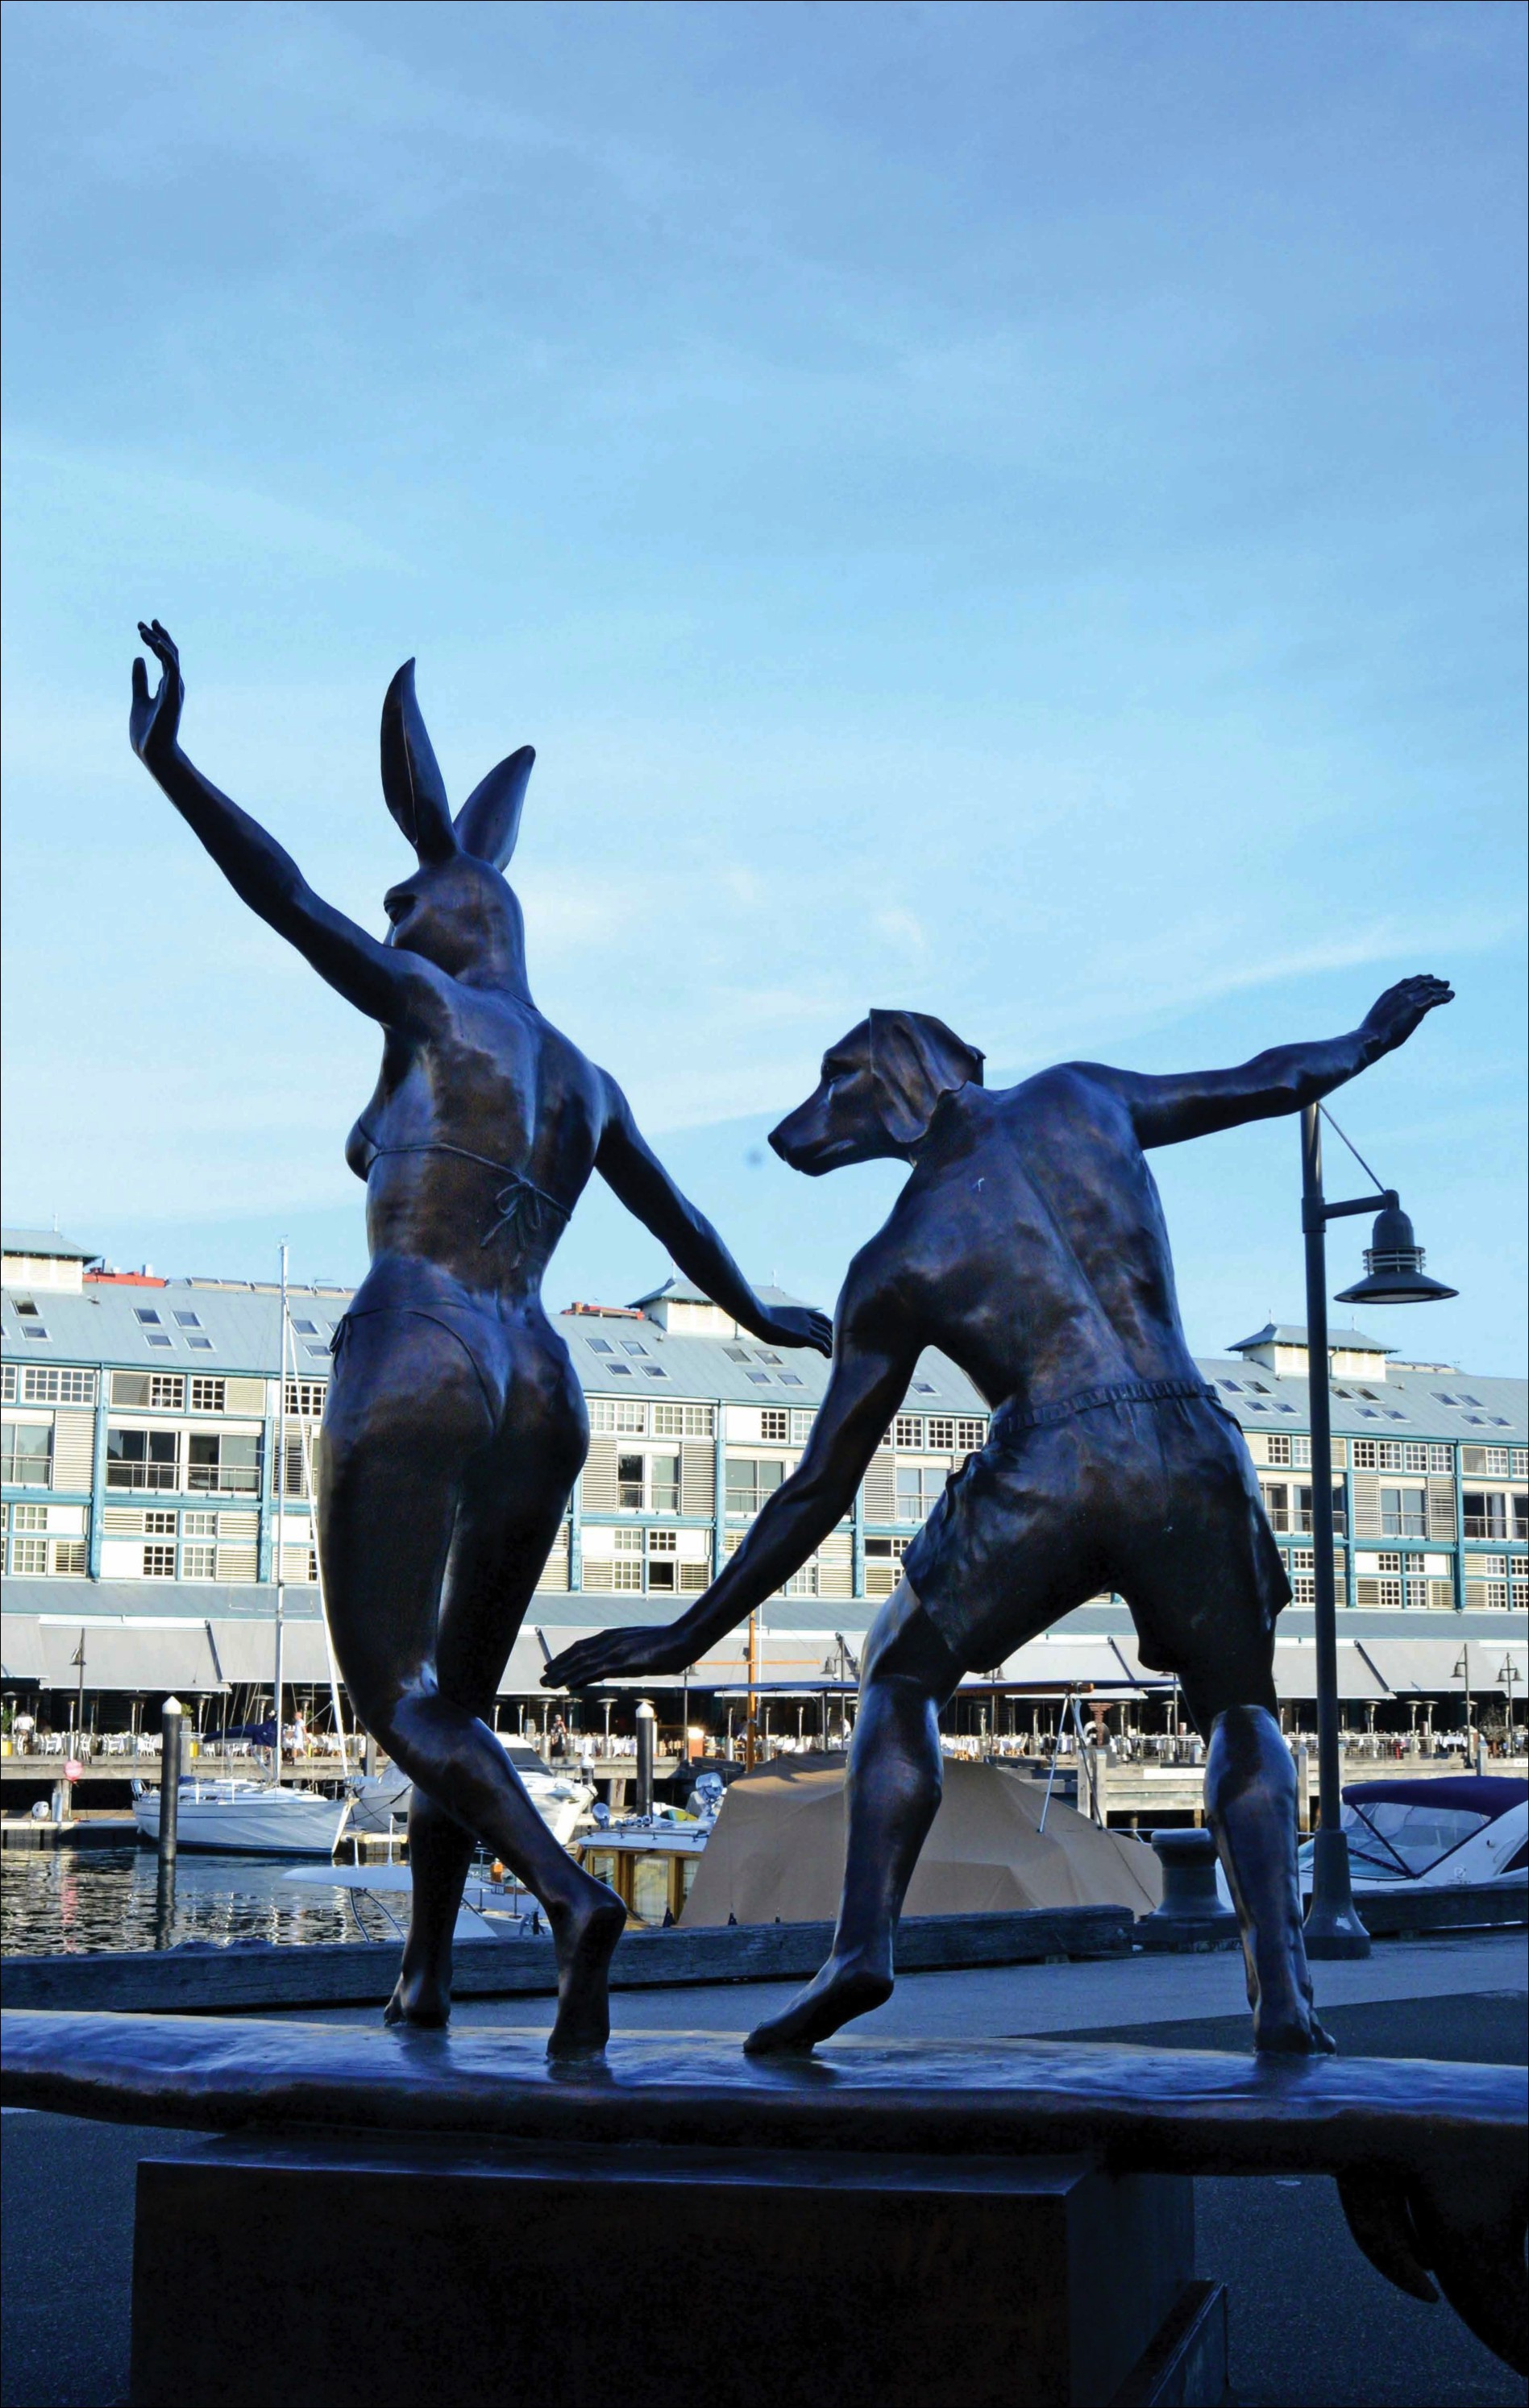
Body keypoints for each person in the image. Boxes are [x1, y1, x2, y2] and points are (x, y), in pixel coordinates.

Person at [128, 621, 829, 2055]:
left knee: (397, 1699)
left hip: (418, 1340)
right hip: (540, 1379)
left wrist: (173, 766)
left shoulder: (432, 1006)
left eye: (407, 907)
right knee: (461, 1703)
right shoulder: (582, 1074)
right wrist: (761, 1314)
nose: (390, 929)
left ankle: (570, 1897)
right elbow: (684, 1219)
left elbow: (286, 898)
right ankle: (429, 1973)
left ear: (457, 912)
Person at [547, 985, 1451, 2053]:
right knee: (1240, 1709)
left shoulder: (894, 1259)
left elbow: (818, 1486)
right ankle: (1284, 1992)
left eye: (836, 1084)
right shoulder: (1084, 1100)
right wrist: (1367, 1038)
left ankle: (859, 1950)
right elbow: (1268, 1080)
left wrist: (686, 1634)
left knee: (898, 1677)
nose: (807, 1123)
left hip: (1048, 1460)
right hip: (1192, 1445)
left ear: (895, 1088)